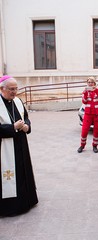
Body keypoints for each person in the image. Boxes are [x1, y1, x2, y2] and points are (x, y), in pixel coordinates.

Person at [0, 75, 38, 216]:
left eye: (16, 88)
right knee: (8, 176)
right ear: (2, 89)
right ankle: (10, 207)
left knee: (22, 171)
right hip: (3, 147)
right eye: (11, 89)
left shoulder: (17, 100)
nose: (14, 92)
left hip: (21, 143)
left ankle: (26, 201)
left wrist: (27, 126)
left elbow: (26, 117)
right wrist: (13, 127)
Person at [78, 77, 98, 153]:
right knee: (84, 131)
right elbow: (84, 102)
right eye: (89, 82)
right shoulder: (85, 92)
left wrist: (96, 91)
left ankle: (95, 146)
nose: (90, 83)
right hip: (88, 114)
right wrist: (86, 93)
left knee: (96, 131)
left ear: (94, 83)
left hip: (97, 114)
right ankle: (82, 145)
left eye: (91, 82)